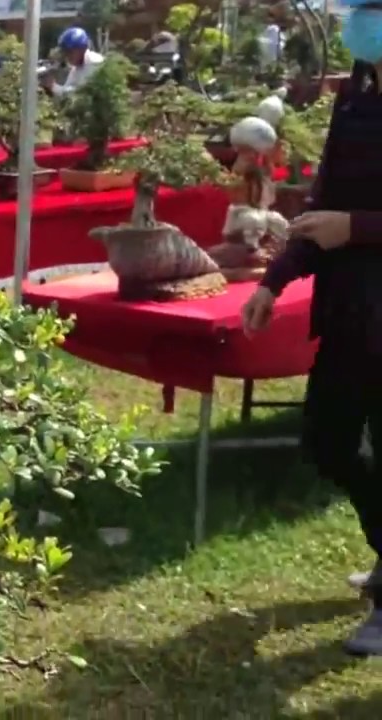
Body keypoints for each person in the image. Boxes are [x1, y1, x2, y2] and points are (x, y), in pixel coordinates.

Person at [240, 1, 382, 655]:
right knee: (329, 441)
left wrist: (356, 227)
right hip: (352, 309)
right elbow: (322, 204)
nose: (364, 21)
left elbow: (340, 218)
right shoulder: (356, 97)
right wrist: (276, 279)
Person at [44, 26, 103, 97]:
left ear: (82, 49)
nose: (67, 55)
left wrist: (53, 86)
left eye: (70, 51)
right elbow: (67, 89)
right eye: (65, 51)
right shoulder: (76, 67)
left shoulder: (94, 63)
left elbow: (80, 94)